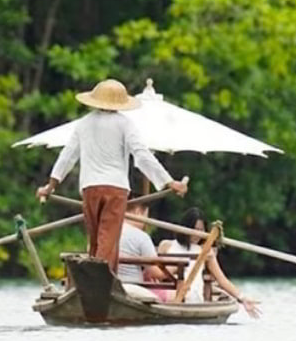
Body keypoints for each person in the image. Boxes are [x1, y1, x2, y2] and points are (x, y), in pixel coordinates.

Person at [35, 79, 188, 273]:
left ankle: (101, 278)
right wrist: (168, 181)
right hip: (116, 188)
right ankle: (99, 279)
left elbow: (67, 156)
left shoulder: (83, 124)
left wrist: (50, 185)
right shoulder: (125, 124)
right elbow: (141, 154)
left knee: (96, 239)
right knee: (108, 238)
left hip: (90, 188)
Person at [158, 207, 262, 318]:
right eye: (193, 229)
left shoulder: (206, 251)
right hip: (168, 296)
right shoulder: (166, 245)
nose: (197, 234)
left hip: (192, 299)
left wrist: (243, 298)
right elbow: (156, 273)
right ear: (186, 228)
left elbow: (221, 279)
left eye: (200, 230)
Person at [117, 203, 172, 283]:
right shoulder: (141, 236)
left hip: (109, 285)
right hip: (131, 286)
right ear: (138, 211)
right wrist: (174, 268)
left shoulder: (109, 231)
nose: (145, 222)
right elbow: (156, 272)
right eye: (146, 216)